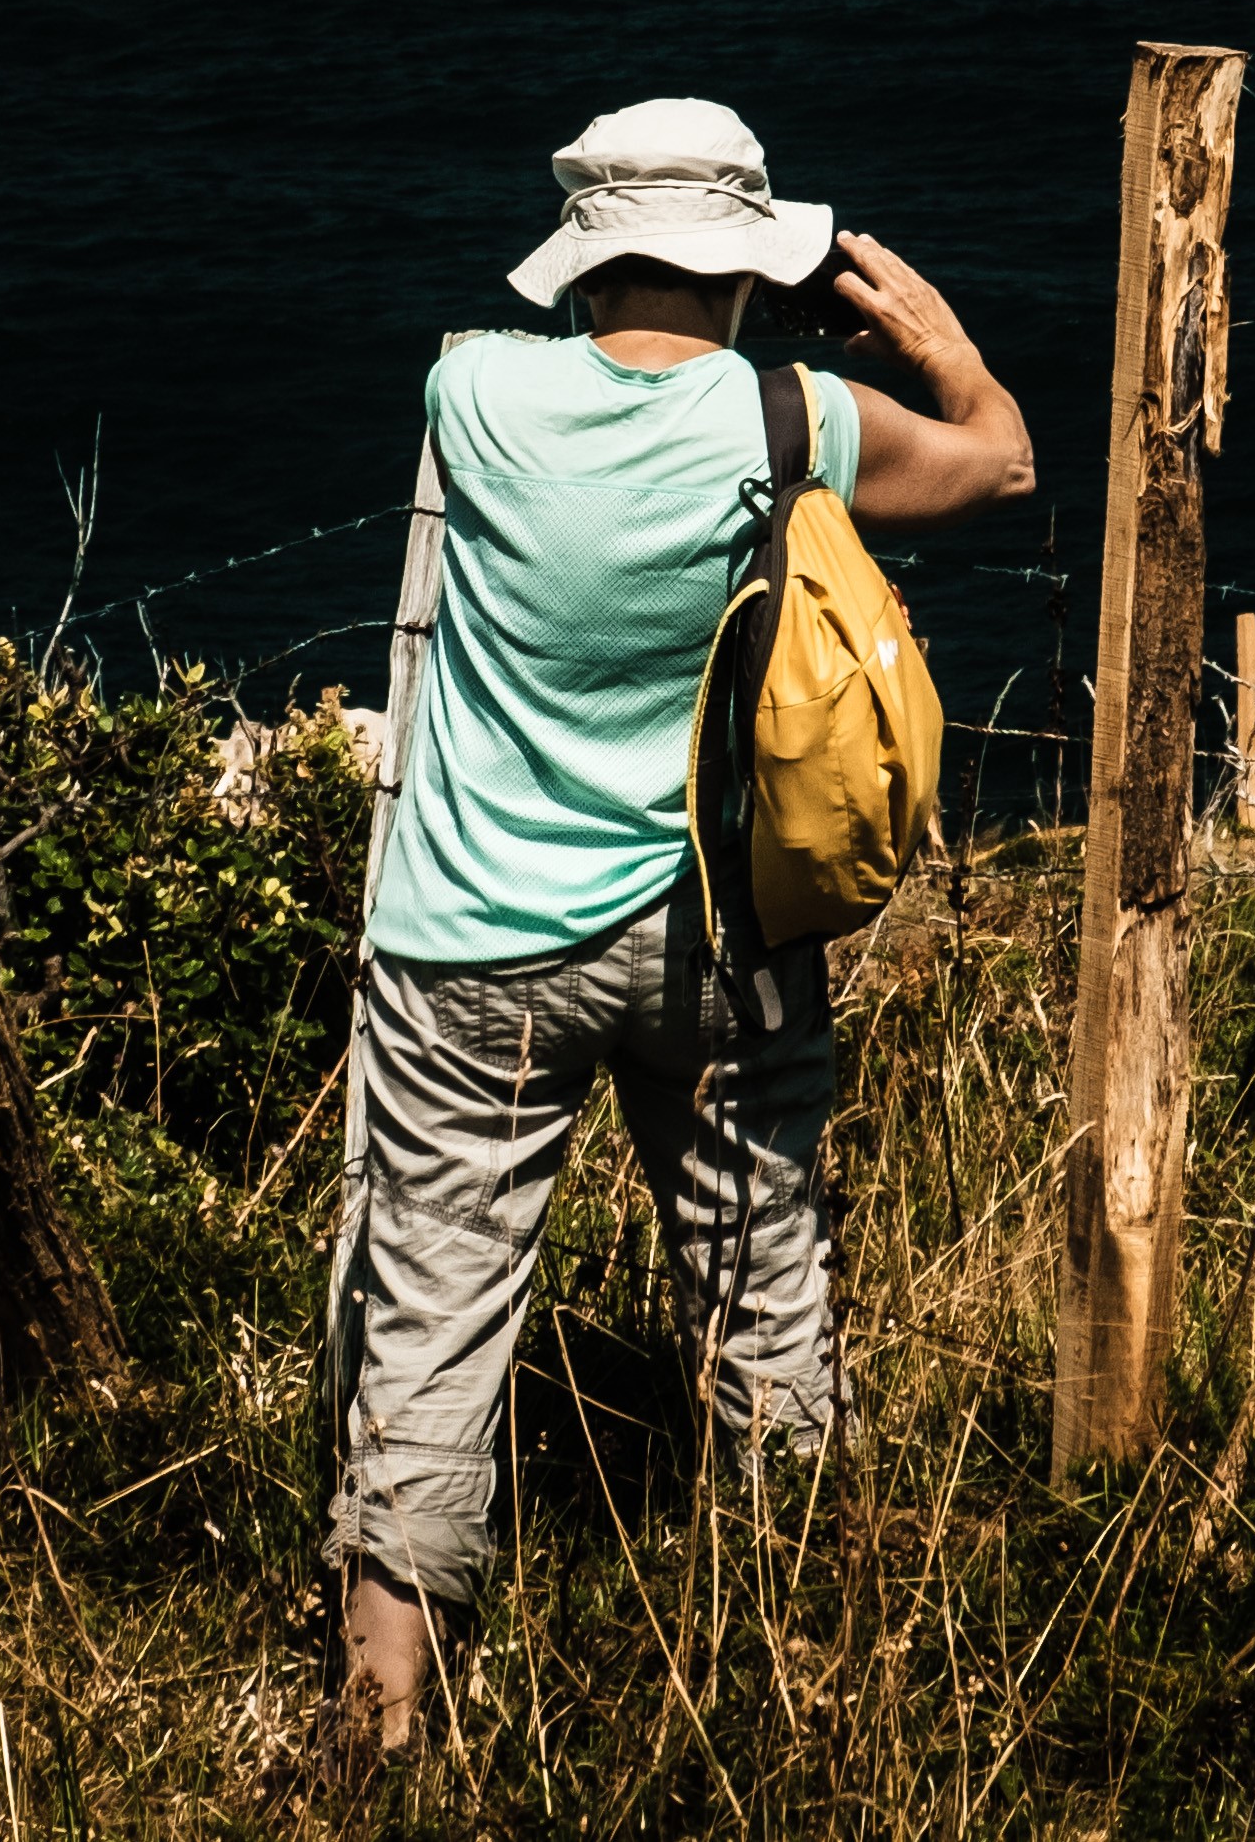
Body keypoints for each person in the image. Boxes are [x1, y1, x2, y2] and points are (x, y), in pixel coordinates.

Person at [326, 97, 1034, 1758]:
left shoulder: (470, 394)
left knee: (432, 1313)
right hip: (714, 939)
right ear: (748, 266)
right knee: (760, 1279)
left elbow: (587, 383)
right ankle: (791, 1667)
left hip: (470, 942)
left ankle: (383, 1721)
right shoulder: (796, 417)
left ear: (588, 255)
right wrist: (933, 339)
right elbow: (1002, 456)